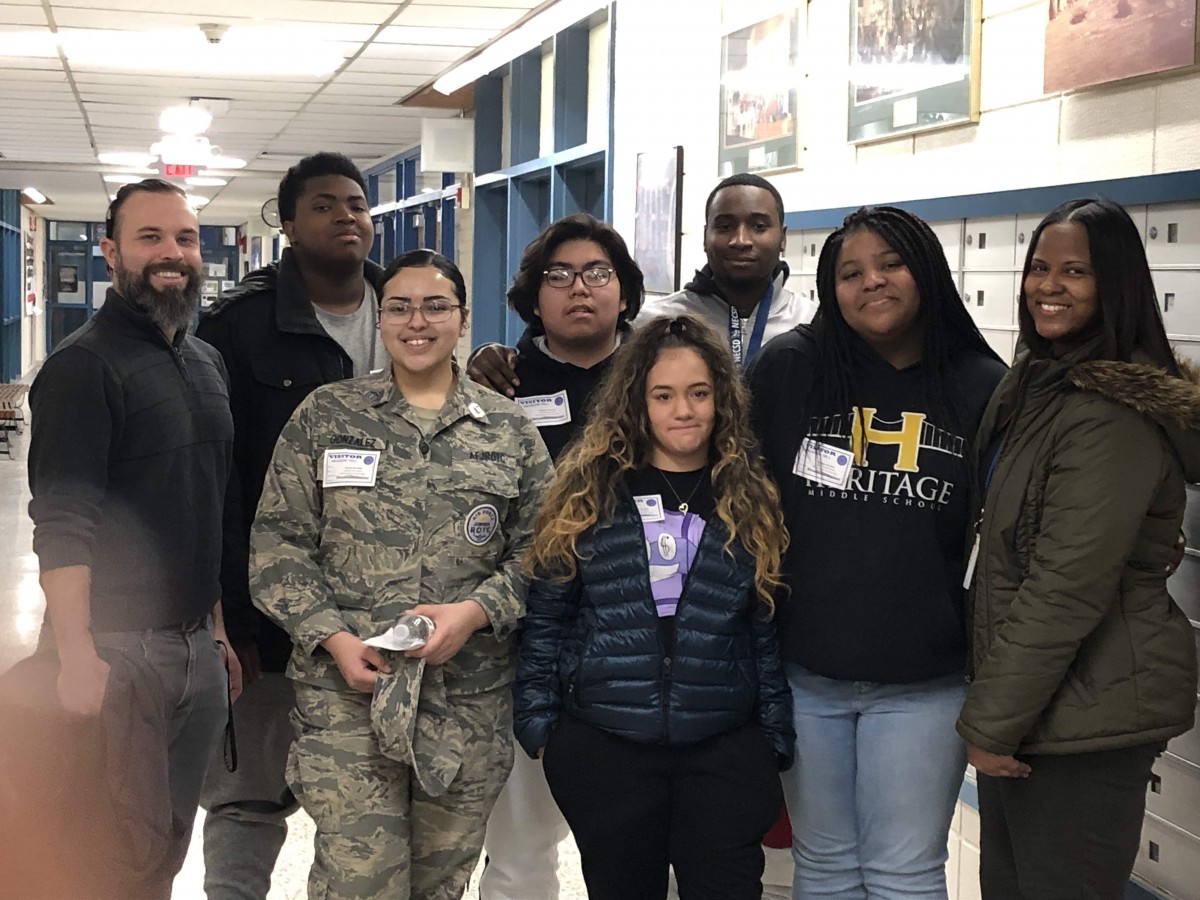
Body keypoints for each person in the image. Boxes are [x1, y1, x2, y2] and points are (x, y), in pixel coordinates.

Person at [250, 249, 553, 900]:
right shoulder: (326, 417)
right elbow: (277, 545)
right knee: (360, 881)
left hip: (465, 701)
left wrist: (474, 613)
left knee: (441, 883)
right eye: (399, 307)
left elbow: (543, 552)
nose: (418, 320)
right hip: (348, 697)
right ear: (379, 320)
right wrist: (332, 637)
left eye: (436, 305)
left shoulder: (508, 431)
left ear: (463, 320)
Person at [746, 205, 1007, 898]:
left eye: (890, 265)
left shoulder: (981, 385)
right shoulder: (790, 369)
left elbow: (1021, 525)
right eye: (850, 272)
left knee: (903, 869)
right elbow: (739, 503)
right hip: (806, 672)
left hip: (926, 681)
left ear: (924, 272)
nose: (873, 283)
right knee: (825, 864)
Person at [957, 197, 1200, 899]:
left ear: (1116, 284)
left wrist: (992, 725)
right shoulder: (1036, 382)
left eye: (1076, 271)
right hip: (1044, 705)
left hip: (1086, 718)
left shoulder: (1109, 415)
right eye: (1038, 267)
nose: (1047, 286)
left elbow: (1064, 585)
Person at [514, 314, 794, 900]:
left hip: (722, 746)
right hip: (606, 746)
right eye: (662, 395)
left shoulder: (748, 497)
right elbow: (548, 615)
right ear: (637, 403)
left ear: (722, 401)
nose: (683, 410)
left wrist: (772, 736)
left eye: (699, 393)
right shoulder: (590, 492)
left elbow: (762, 625)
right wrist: (542, 728)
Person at [26, 178, 242, 896]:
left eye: (185, 238)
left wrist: (214, 633)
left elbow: (204, 507)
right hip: (116, 652)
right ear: (111, 251)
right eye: (150, 238)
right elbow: (62, 524)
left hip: (193, 650)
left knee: (162, 849)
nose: (171, 254)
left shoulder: (206, 364)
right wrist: (77, 654)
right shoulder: (83, 368)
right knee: (103, 851)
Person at [196, 151, 383, 900]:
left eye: (357, 203)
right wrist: (231, 618)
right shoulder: (237, 330)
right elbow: (221, 483)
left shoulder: (402, 305)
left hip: (376, 612)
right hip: (270, 615)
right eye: (324, 205)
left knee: (364, 812)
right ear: (289, 223)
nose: (346, 216)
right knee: (249, 797)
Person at [479, 211, 644, 900]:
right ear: (533, 295)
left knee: (642, 855)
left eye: (598, 273)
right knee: (520, 857)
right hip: (524, 646)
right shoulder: (496, 388)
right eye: (560, 274)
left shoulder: (665, 380)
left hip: (640, 647)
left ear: (625, 292)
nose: (580, 288)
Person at [467, 173, 815, 393]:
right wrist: (497, 354)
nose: (741, 240)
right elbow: (572, 337)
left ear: (782, 237)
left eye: (758, 226)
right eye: (724, 226)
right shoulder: (657, 323)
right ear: (705, 236)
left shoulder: (813, 322)